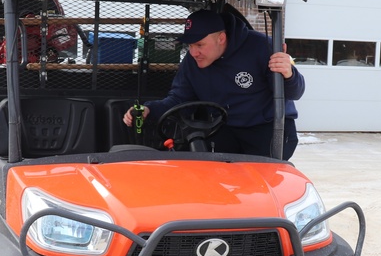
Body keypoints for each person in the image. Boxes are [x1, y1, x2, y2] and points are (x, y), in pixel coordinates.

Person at [123, 9, 304, 159]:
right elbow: (179, 100)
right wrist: (149, 110)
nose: (193, 52)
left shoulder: (262, 47)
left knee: (258, 186)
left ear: (221, 38)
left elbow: (295, 92)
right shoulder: (192, 62)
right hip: (225, 128)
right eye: (190, 46)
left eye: (200, 45)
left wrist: (289, 74)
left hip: (267, 129)